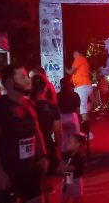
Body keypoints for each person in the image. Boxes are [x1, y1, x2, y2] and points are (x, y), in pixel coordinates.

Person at [0, 64, 48, 203]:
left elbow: (36, 132)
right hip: (7, 173)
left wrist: (42, 156)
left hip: (29, 170)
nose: (27, 79)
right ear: (10, 82)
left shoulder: (28, 105)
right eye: (22, 76)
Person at [30, 75, 62, 203]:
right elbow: (58, 131)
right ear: (45, 89)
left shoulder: (26, 105)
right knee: (47, 183)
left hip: (29, 148)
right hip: (47, 145)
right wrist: (58, 148)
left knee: (32, 186)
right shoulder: (51, 107)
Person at [65, 51, 93, 140]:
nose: (73, 56)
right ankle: (87, 132)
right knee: (83, 110)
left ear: (78, 53)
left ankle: (87, 133)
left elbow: (70, 72)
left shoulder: (79, 59)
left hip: (82, 87)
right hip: (86, 86)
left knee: (83, 111)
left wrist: (63, 65)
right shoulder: (84, 60)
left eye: (74, 54)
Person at [57, 77, 81, 159]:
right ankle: (74, 158)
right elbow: (78, 110)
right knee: (74, 139)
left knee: (63, 140)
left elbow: (57, 109)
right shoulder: (75, 95)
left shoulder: (57, 96)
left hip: (62, 118)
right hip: (72, 118)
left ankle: (64, 158)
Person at [61, 133, 86, 203]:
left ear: (77, 144)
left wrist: (64, 168)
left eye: (70, 142)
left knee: (75, 199)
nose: (68, 143)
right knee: (64, 197)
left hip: (76, 180)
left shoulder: (78, 156)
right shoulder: (70, 154)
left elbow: (74, 167)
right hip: (68, 178)